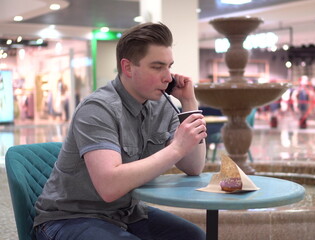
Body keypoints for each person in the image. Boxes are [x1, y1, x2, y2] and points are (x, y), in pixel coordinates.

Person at [33, 22, 207, 240]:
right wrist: (176, 148)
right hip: (69, 218)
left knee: (193, 236)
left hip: (126, 213)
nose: (168, 77)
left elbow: (194, 166)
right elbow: (109, 187)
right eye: (157, 66)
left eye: (169, 66)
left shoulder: (162, 105)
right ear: (127, 68)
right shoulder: (97, 108)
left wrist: (189, 102)